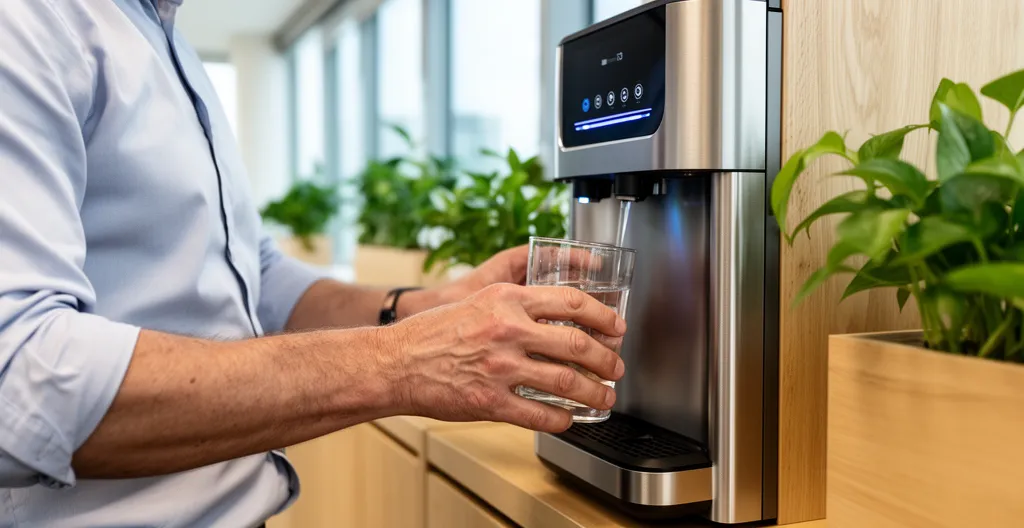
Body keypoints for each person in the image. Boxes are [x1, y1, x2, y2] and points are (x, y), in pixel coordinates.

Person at [0, 1, 626, 526]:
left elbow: (253, 269)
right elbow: (20, 385)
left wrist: (422, 307)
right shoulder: (31, 21)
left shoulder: (162, 39)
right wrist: (406, 359)